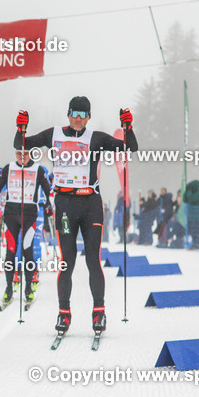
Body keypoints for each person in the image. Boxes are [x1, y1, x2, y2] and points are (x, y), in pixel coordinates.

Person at [14, 98, 137, 335]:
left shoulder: (96, 138)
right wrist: (21, 128)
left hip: (90, 204)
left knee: (93, 260)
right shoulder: (54, 134)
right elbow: (21, 144)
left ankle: (99, 312)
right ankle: (64, 313)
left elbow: (129, 148)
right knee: (67, 262)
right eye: (74, 113)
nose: (78, 118)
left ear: (88, 116)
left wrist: (127, 128)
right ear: (68, 113)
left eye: (83, 114)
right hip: (65, 205)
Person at [0, 149, 52, 306]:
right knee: (10, 251)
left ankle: (28, 288)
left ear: (31, 155)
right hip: (11, 214)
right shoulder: (9, 168)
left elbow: (47, 191)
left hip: (29, 214)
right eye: (19, 154)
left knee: (27, 250)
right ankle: (9, 288)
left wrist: (49, 206)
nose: (22, 157)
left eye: (26, 153)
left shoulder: (38, 170)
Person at [184, 180, 199, 248]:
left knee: (195, 230)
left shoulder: (198, 193)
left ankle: (196, 243)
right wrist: (186, 191)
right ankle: (195, 243)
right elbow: (185, 199)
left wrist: (189, 191)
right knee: (192, 230)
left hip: (197, 216)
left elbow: (191, 199)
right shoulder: (191, 193)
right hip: (191, 215)